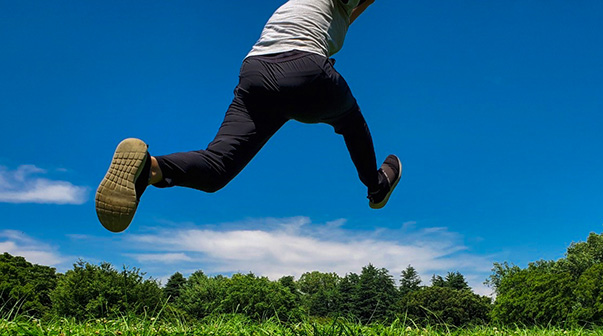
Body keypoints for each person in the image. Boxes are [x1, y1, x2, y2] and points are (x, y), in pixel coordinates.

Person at [96, 0, 402, 233]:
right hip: (305, 68)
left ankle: (150, 168)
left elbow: (348, 16)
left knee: (217, 167)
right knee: (351, 121)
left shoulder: (303, 8)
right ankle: (375, 186)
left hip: (256, 72)